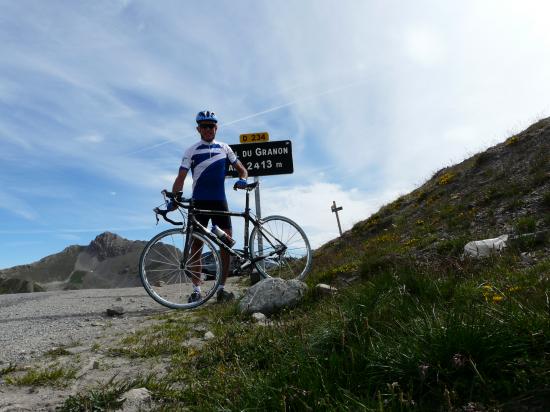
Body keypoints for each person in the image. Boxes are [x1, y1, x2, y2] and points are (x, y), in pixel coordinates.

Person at [171, 110, 248, 303]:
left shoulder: (225, 148)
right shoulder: (191, 150)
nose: (208, 129)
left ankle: (221, 288)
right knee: (196, 246)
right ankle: (197, 289)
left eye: (211, 126)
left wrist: (243, 180)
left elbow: (242, 170)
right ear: (198, 129)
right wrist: (173, 198)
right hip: (199, 202)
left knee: (226, 245)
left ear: (216, 128)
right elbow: (180, 178)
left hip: (220, 201)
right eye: (204, 126)